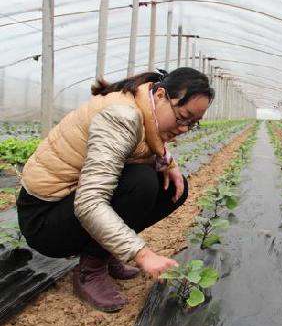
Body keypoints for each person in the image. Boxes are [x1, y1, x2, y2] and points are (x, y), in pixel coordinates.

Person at [16, 67, 214, 312]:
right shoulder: (122, 115)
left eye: (192, 124)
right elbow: (89, 201)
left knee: (173, 187)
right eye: (182, 117)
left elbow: (145, 140)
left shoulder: (144, 107)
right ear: (160, 95)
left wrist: (167, 162)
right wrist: (142, 254)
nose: (184, 129)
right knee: (141, 182)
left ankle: (105, 253)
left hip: (67, 203)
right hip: (44, 218)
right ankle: (91, 270)